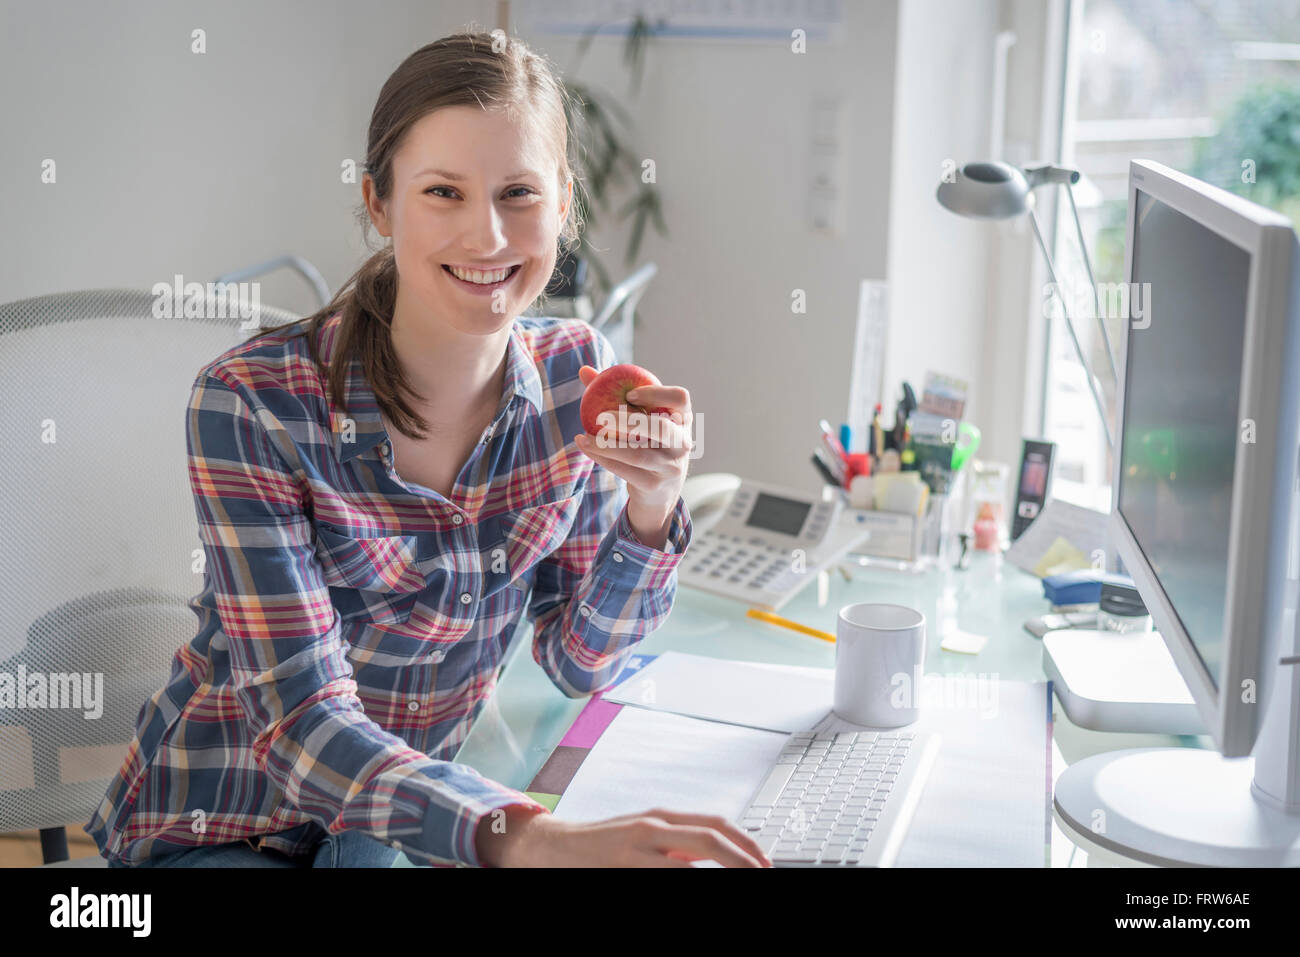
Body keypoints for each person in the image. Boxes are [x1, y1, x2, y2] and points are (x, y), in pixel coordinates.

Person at [86, 30, 769, 869]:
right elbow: (303, 723)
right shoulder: (250, 401)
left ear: (563, 203)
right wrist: (531, 836)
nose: (487, 237)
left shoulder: (571, 382)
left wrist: (652, 509)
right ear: (380, 203)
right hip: (223, 821)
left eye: (518, 192)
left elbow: (579, 661)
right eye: (443, 191)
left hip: (395, 819)